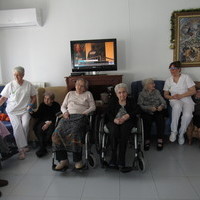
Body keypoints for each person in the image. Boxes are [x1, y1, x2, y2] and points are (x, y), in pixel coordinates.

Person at [52, 78, 96, 171]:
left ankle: (78, 161)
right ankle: (63, 160)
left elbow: (93, 107)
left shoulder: (88, 94)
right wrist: (65, 112)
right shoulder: (70, 94)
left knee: (75, 132)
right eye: (77, 85)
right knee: (57, 133)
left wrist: (85, 112)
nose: (79, 87)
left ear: (85, 88)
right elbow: (63, 106)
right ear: (75, 85)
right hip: (68, 116)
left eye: (82, 85)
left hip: (81, 117)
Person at [0, 66, 37, 159]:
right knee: (17, 127)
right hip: (12, 111)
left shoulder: (28, 85)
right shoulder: (10, 85)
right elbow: (3, 98)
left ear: (23, 75)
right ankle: (21, 150)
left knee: (25, 125)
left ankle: (24, 145)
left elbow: (33, 97)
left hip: (25, 109)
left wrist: (30, 105)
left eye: (18, 75)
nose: (16, 77)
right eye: (14, 75)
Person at [106, 83, 138, 168]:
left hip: (127, 121)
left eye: (124, 92)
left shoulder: (131, 100)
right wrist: (114, 119)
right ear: (116, 94)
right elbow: (107, 113)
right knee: (114, 130)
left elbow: (137, 111)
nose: (122, 94)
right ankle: (113, 157)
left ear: (127, 93)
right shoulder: (112, 101)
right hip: (114, 121)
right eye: (119, 92)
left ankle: (121, 158)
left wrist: (128, 116)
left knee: (124, 131)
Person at [163, 61, 196, 145]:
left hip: (187, 99)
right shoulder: (168, 80)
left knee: (188, 115)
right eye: (170, 68)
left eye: (174, 68)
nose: (172, 70)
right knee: (177, 107)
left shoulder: (186, 77)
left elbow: (193, 91)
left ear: (179, 69)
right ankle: (174, 132)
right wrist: (172, 97)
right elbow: (166, 94)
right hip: (174, 100)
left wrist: (181, 96)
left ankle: (181, 134)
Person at [138, 78, 167, 151]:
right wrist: (149, 108)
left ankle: (160, 140)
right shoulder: (141, 94)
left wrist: (162, 106)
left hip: (157, 110)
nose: (154, 85)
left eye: (154, 83)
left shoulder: (157, 92)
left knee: (160, 119)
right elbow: (140, 105)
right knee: (146, 121)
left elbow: (163, 102)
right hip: (147, 111)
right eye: (152, 83)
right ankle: (147, 140)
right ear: (146, 85)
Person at [30, 92, 60, 157]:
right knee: (38, 128)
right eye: (45, 98)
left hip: (52, 122)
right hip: (42, 121)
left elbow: (58, 116)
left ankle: (42, 147)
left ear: (52, 100)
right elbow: (37, 115)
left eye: (48, 99)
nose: (46, 100)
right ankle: (43, 147)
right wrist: (31, 112)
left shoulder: (56, 105)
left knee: (51, 129)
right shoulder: (42, 105)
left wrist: (49, 123)